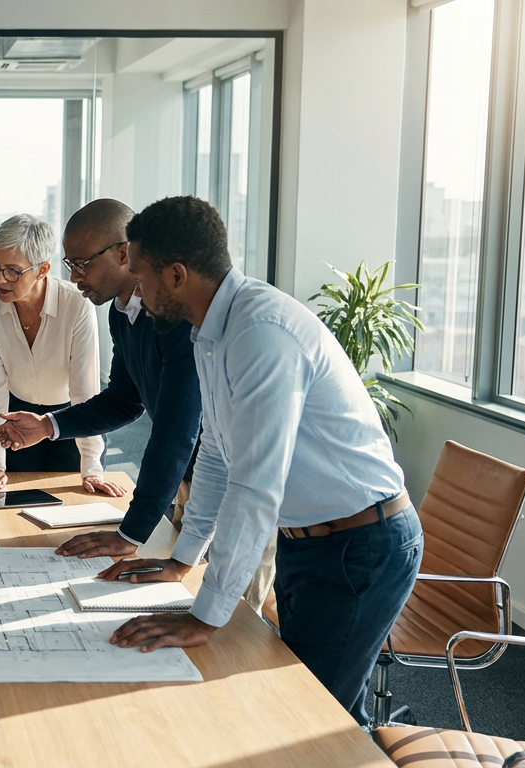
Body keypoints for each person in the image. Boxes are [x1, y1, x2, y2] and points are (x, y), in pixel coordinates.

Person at [100, 196, 422, 726]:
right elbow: (219, 459)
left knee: (314, 723)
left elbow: (254, 486)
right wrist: (184, 559)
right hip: (310, 541)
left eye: (139, 275)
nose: (136, 289)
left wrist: (204, 616)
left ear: (176, 275)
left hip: (359, 545)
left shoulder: (260, 333)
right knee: (321, 709)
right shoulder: (211, 332)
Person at [0, 199, 206, 581]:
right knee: (190, 587)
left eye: (82, 264)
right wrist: (48, 425)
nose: (75, 276)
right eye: (70, 265)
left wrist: (129, 532)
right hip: (187, 476)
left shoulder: (178, 316)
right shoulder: (121, 311)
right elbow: (123, 399)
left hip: (224, 475)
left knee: (235, 609)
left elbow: (176, 432)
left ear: (123, 253)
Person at [0, 214, 118, 496]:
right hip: (15, 416)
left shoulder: (76, 303)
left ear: (42, 269)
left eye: (13, 270)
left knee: (72, 503)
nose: (0, 278)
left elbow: (84, 388)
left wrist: (92, 467)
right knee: (14, 503)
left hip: (70, 416)